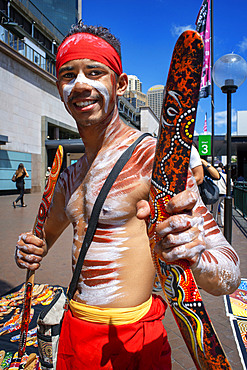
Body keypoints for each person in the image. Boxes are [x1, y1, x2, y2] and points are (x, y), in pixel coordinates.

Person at [15, 22, 241, 369]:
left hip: (134, 340)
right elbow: (40, 241)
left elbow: (230, 273)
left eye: (94, 72)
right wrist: (28, 249)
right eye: (68, 75)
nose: (80, 85)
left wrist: (192, 255)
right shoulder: (69, 176)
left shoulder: (153, 160)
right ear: (58, 86)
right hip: (75, 334)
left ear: (119, 85)